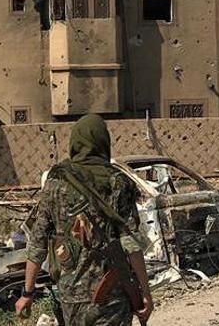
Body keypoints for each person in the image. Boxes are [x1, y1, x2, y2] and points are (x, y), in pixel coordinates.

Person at [16, 114, 153, 325]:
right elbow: (131, 244)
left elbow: (37, 243)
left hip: (70, 298)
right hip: (112, 296)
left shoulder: (56, 183)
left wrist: (27, 292)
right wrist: (145, 292)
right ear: (103, 142)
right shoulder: (118, 183)